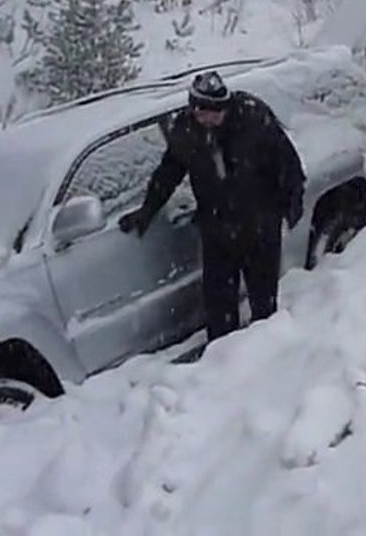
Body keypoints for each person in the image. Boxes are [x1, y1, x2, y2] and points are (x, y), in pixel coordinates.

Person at [118, 70, 305, 342]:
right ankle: (222, 355)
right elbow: (168, 172)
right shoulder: (188, 129)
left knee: (263, 302)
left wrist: (292, 201)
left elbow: (287, 162)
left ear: (223, 107)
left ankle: (268, 351)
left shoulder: (253, 118)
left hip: (260, 225)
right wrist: (147, 211)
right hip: (217, 228)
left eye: (209, 113)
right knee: (219, 308)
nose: (203, 118)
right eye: (197, 111)